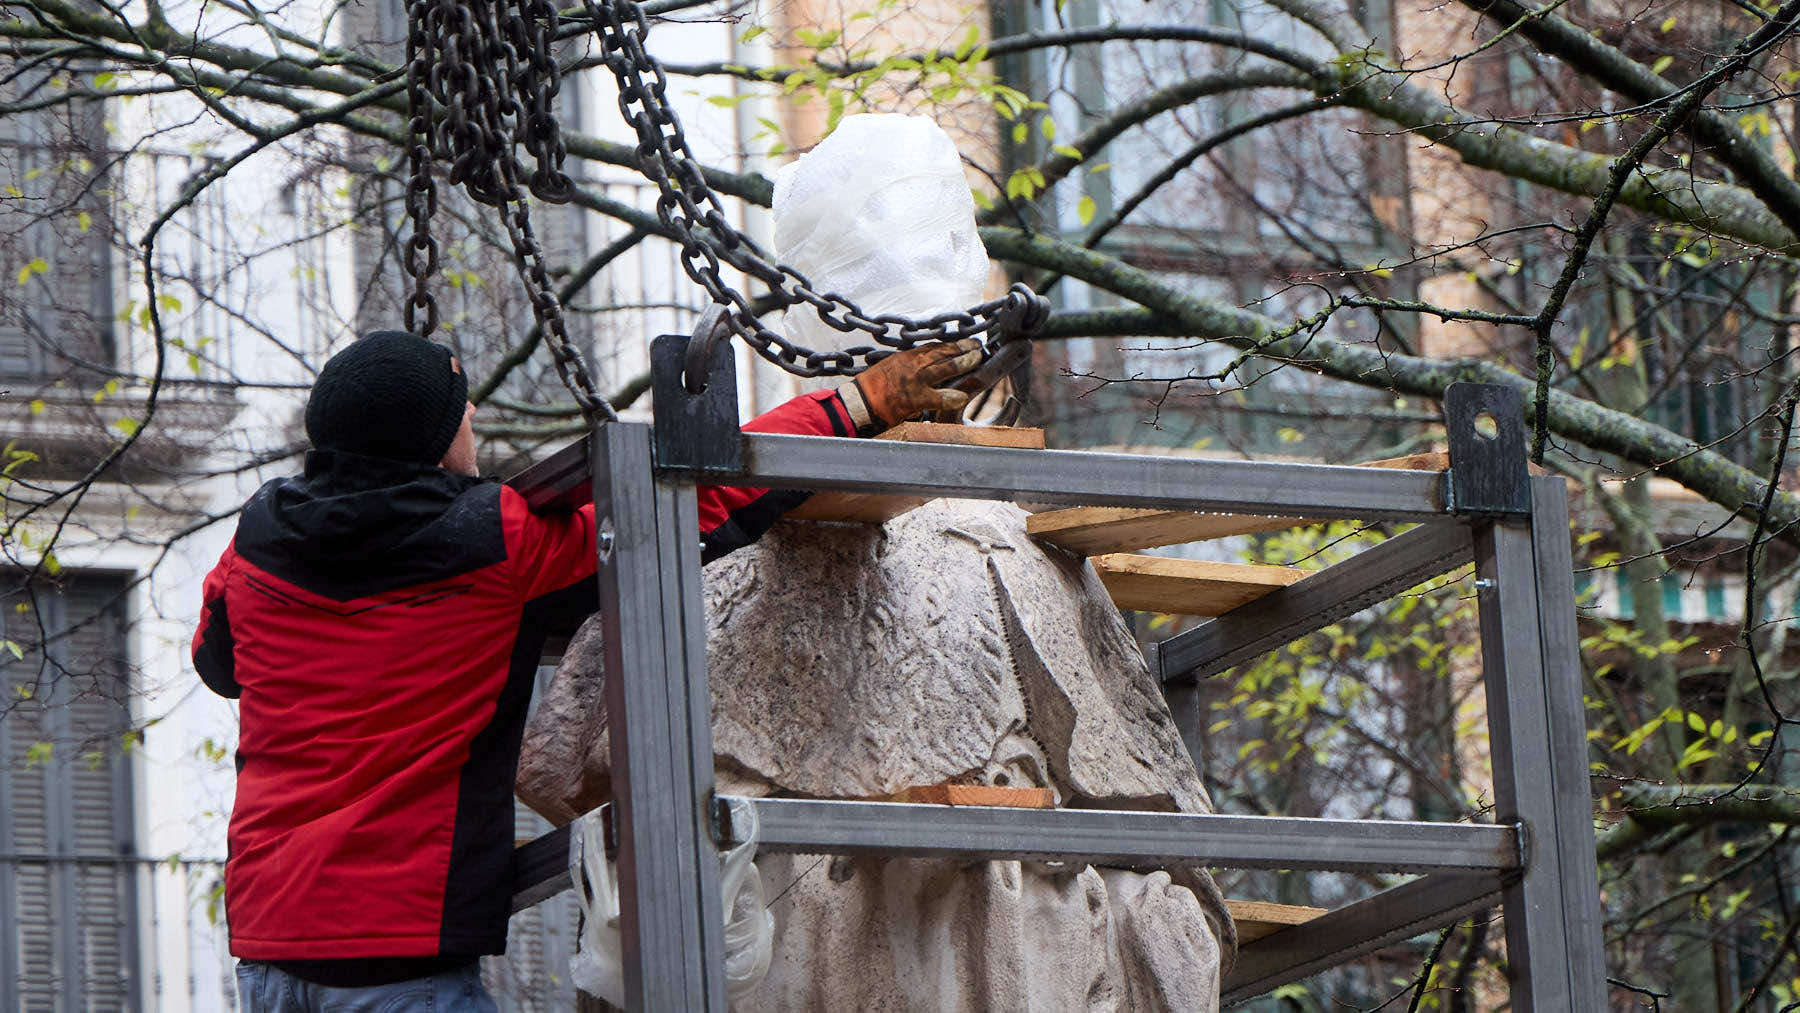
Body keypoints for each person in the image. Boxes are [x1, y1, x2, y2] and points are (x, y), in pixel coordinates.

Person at [194, 329, 983, 1012]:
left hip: (269, 948)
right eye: (464, 417)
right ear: (434, 440)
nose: (474, 427)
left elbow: (218, 663)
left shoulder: (256, 543)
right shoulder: (491, 541)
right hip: (397, 955)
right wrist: (855, 404)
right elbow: (690, 506)